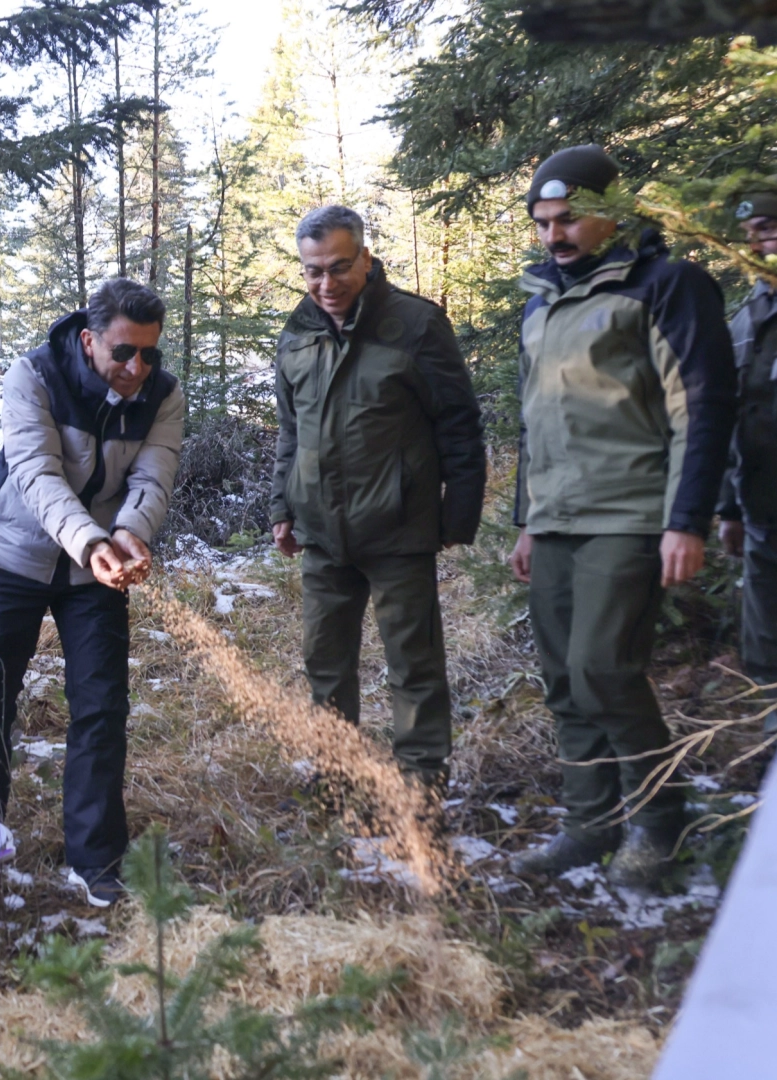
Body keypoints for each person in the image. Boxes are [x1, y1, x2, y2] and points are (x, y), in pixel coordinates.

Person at [506, 145, 737, 887]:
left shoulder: (665, 287)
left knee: (603, 667)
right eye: (542, 223)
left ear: (614, 210)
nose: (554, 236)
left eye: (568, 218)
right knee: (562, 678)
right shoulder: (540, 304)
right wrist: (525, 520)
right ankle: (588, 823)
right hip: (557, 520)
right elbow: (531, 421)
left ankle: (658, 819)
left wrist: (686, 518)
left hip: (632, 514)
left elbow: (698, 407)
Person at [0, 278, 184, 908]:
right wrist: (92, 542)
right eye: (124, 352)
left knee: (102, 705)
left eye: (150, 354)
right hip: (17, 555)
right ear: (89, 340)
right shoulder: (35, 375)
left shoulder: (162, 394)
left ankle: (97, 856)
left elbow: (155, 475)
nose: (137, 368)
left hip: (96, 571)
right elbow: (35, 474)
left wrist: (130, 534)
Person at [269, 205, 486, 791]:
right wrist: (281, 507)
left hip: (398, 525)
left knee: (413, 663)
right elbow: (291, 431)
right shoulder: (298, 333)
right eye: (313, 271)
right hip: (320, 531)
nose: (326, 284)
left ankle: (421, 782)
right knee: (324, 663)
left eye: (340, 267)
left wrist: (457, 515)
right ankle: (335, 775)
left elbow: (459, 424)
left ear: (365, 257)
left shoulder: (414, 324)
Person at [717, 188, 777, 724]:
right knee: (766, 654)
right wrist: (729, 510)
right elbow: (730, 418)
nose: (763, 239)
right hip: (763, 517)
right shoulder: (745, 319)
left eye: (771, 225)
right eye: (755, 232)